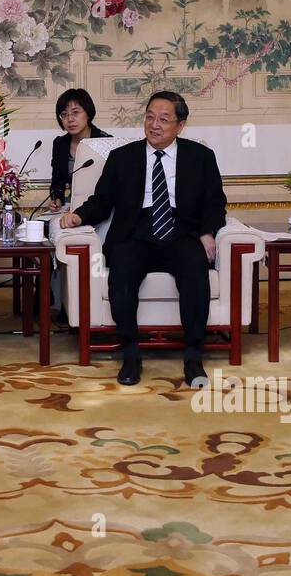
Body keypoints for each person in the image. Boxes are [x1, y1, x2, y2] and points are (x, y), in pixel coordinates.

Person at [59, 91, 226, 387]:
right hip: (135, 233)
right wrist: (79, 216)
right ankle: (131, 355)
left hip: (181, 231)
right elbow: (103, 200)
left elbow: (214, 202)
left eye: (164, 119)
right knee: (121, 271)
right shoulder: (123, 157)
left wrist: (206, 232)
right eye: (149, 117)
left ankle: (193, 357)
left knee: (194, 269)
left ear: (181, 125)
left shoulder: (201, 157)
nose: (154, 125)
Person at [46, 88, 112, 210]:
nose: (70, 119)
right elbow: (57, 183)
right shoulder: (60, 144)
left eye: (75, 113)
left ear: (88, 113)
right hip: (70, 209)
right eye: (64, 114)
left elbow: (112, 186)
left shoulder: (106, 142)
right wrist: (56, 199)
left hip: (100, 209)